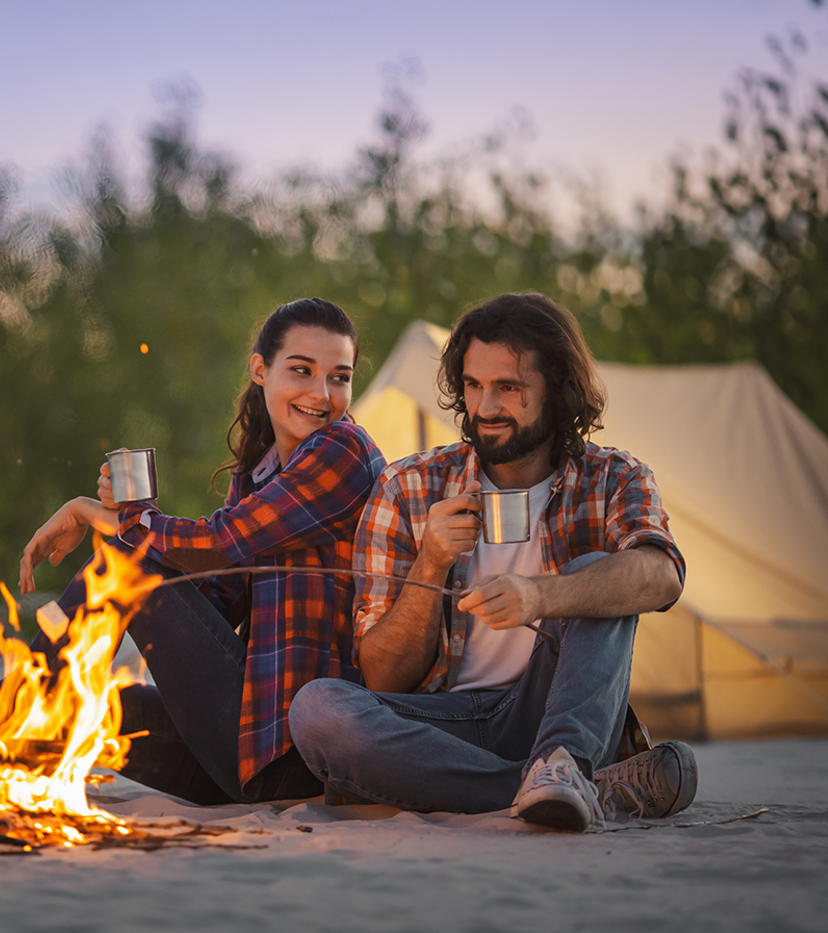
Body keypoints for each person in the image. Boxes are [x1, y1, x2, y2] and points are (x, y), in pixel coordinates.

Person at [0, 298, 387, 805]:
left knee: (122, 566)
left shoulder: (343, 453)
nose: (322, 394)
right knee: (102, 705)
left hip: (297, 760)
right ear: (260, 370)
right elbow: (213, 599)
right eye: (302, 370)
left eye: (339, 377)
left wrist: (109, 520)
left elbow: (218, 543)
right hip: (241, 748)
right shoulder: (260, 474)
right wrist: (124, 523)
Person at [288, 292, 697, 831]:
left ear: (556, 389)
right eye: (473, 385)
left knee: (603, 571)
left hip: (553, 708)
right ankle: (570, 786)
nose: (484, 407)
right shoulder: (409, 488)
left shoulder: (613, 478)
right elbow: (382, 674)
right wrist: (431, 563)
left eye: (508, 387)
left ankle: (562, 764)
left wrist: (540, 595)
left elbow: (662, 575)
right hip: (442, 727)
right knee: (318, 710)